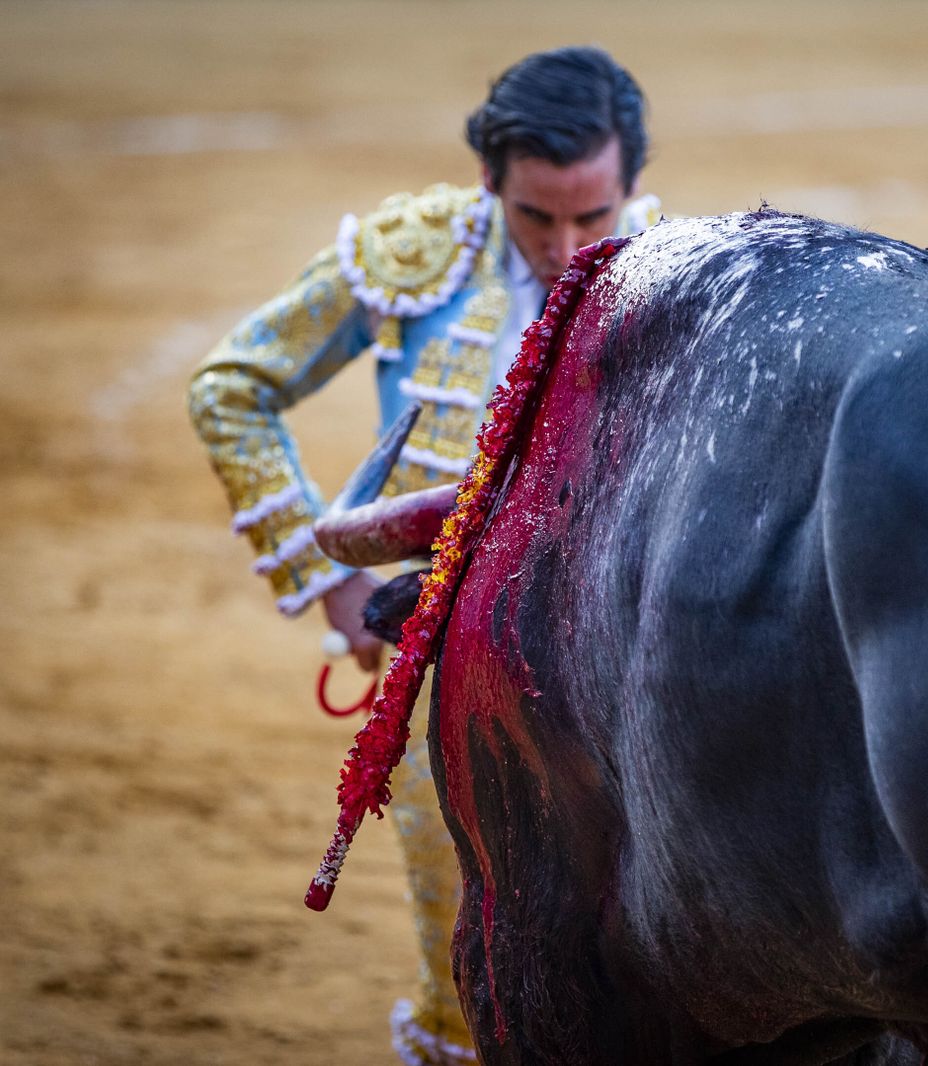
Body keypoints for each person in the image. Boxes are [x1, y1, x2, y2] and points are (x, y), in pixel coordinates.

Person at [188, 46, 660, 1066]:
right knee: (465, 989)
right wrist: (332, 581)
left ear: (631, 185)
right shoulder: (417, 257)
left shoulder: (678, 278)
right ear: (490, 180)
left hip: (619, 695)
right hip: (441, 681)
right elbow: (231, 386)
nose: (568, 245)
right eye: (538, 217)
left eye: (593, 216)